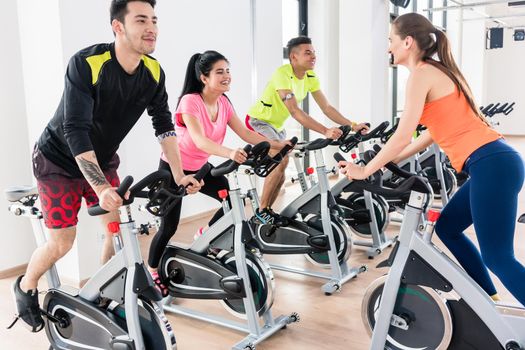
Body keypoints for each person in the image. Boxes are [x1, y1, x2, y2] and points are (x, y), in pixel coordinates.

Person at [11, 0, 201, 332]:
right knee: (63, 242)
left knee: (116, 228)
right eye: (141, 20)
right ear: (118, 27)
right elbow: (75, 129)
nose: (151, 27)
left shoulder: (153, 72)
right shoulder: (87, 63)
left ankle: (100, 295)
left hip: (101, 157)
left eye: (154, 20)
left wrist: (180, 173)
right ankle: (25, 285)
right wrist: (101, 187)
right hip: (57, 159)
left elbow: (165, 127)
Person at [339, 12, 525, 306]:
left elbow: (403, 133)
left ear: (408, 42)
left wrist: (365, 170)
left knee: (498, 256)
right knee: (448, 228)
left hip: (491, 163)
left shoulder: (421, 74)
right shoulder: (437, 71)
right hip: (494, 162)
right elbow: (432, 134)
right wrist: (391, 161)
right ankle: (488, 298)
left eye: (391, 40)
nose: (388, 47)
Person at [147, 50, 290, 296]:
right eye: (219, 72)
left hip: (202, 169)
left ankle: (207, 235)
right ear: (204, 78)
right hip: (175, 170)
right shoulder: (190, 102)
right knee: (168, 227)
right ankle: (152, 272)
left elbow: (246, 134)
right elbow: (200, 141)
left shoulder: (223, 102)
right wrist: (230, 153)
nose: (227, 76)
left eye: (228, 70)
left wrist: (279, 145)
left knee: (232, 202)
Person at [245, 36, 369, 225]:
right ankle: (262, 211)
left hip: (276, 126)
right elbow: (294, 111)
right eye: (307, 53)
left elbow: (326, 107)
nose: (313, 56)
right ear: (293, 57)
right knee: (281, 160)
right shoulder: (283, 74)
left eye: (314, 52)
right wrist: (325, 130)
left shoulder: (310, 76)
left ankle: (266, 211)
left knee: (282, 166)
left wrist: (352, 125)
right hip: (258, 122)